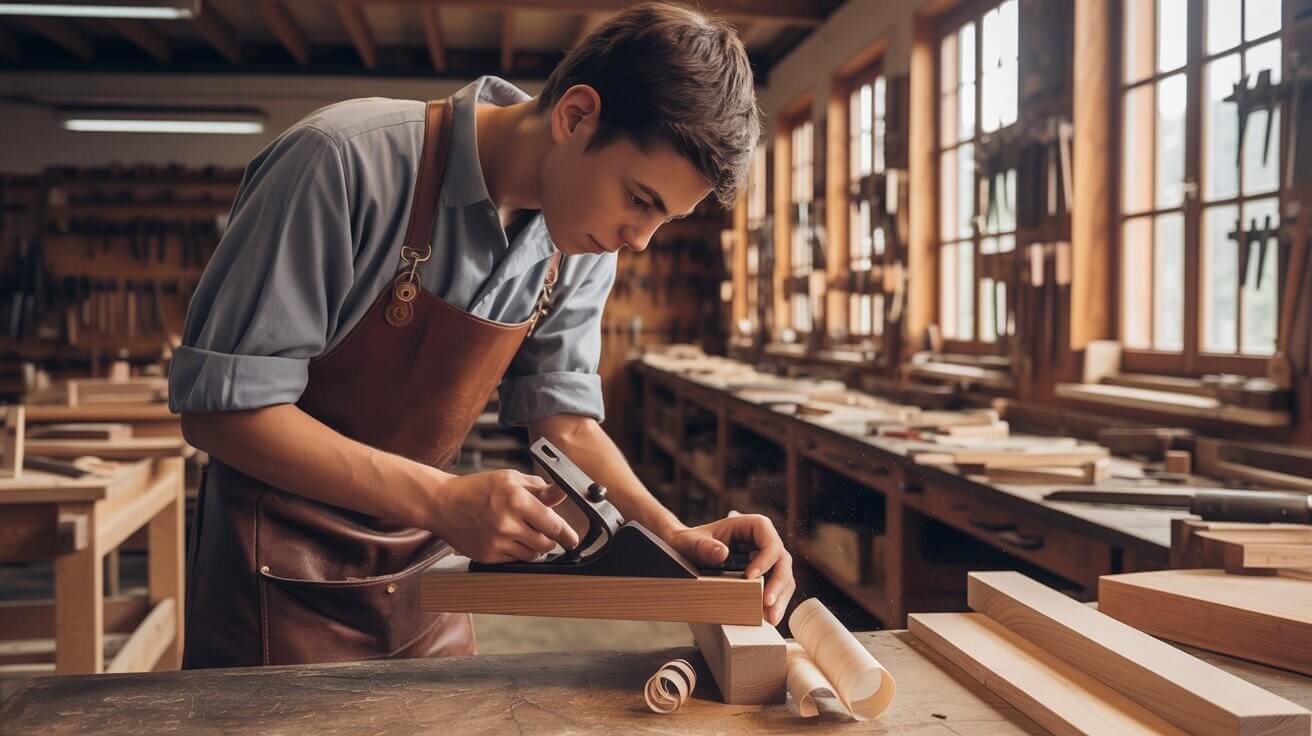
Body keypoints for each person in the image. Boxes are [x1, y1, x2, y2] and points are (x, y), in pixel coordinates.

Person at [171, 1, 793, 668]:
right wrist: (441, 498)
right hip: (276, 580)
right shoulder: (343, 162)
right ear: (575, 116)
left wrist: (674, 541)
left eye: (663, 219)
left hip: (424, 579)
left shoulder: (579, 241)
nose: (639, 240)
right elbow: (220, 414)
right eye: (640, 200)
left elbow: (566, 426)